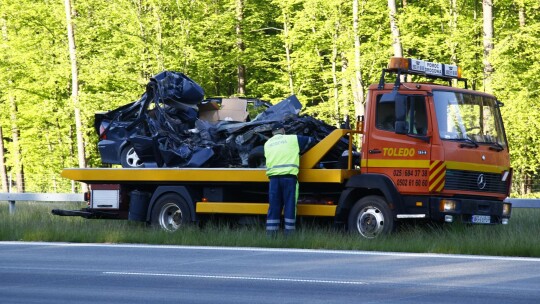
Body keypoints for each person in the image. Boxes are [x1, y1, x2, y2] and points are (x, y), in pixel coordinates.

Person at [264, 122, 314, 236]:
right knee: (290, 206)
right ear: (283, 130)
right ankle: (289, 235)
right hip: (289, 178)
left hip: (273, 180)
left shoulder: (267, 143)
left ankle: (271, 235)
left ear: (272, 133)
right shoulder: (292, 139)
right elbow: (311, 141)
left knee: (274, 207)